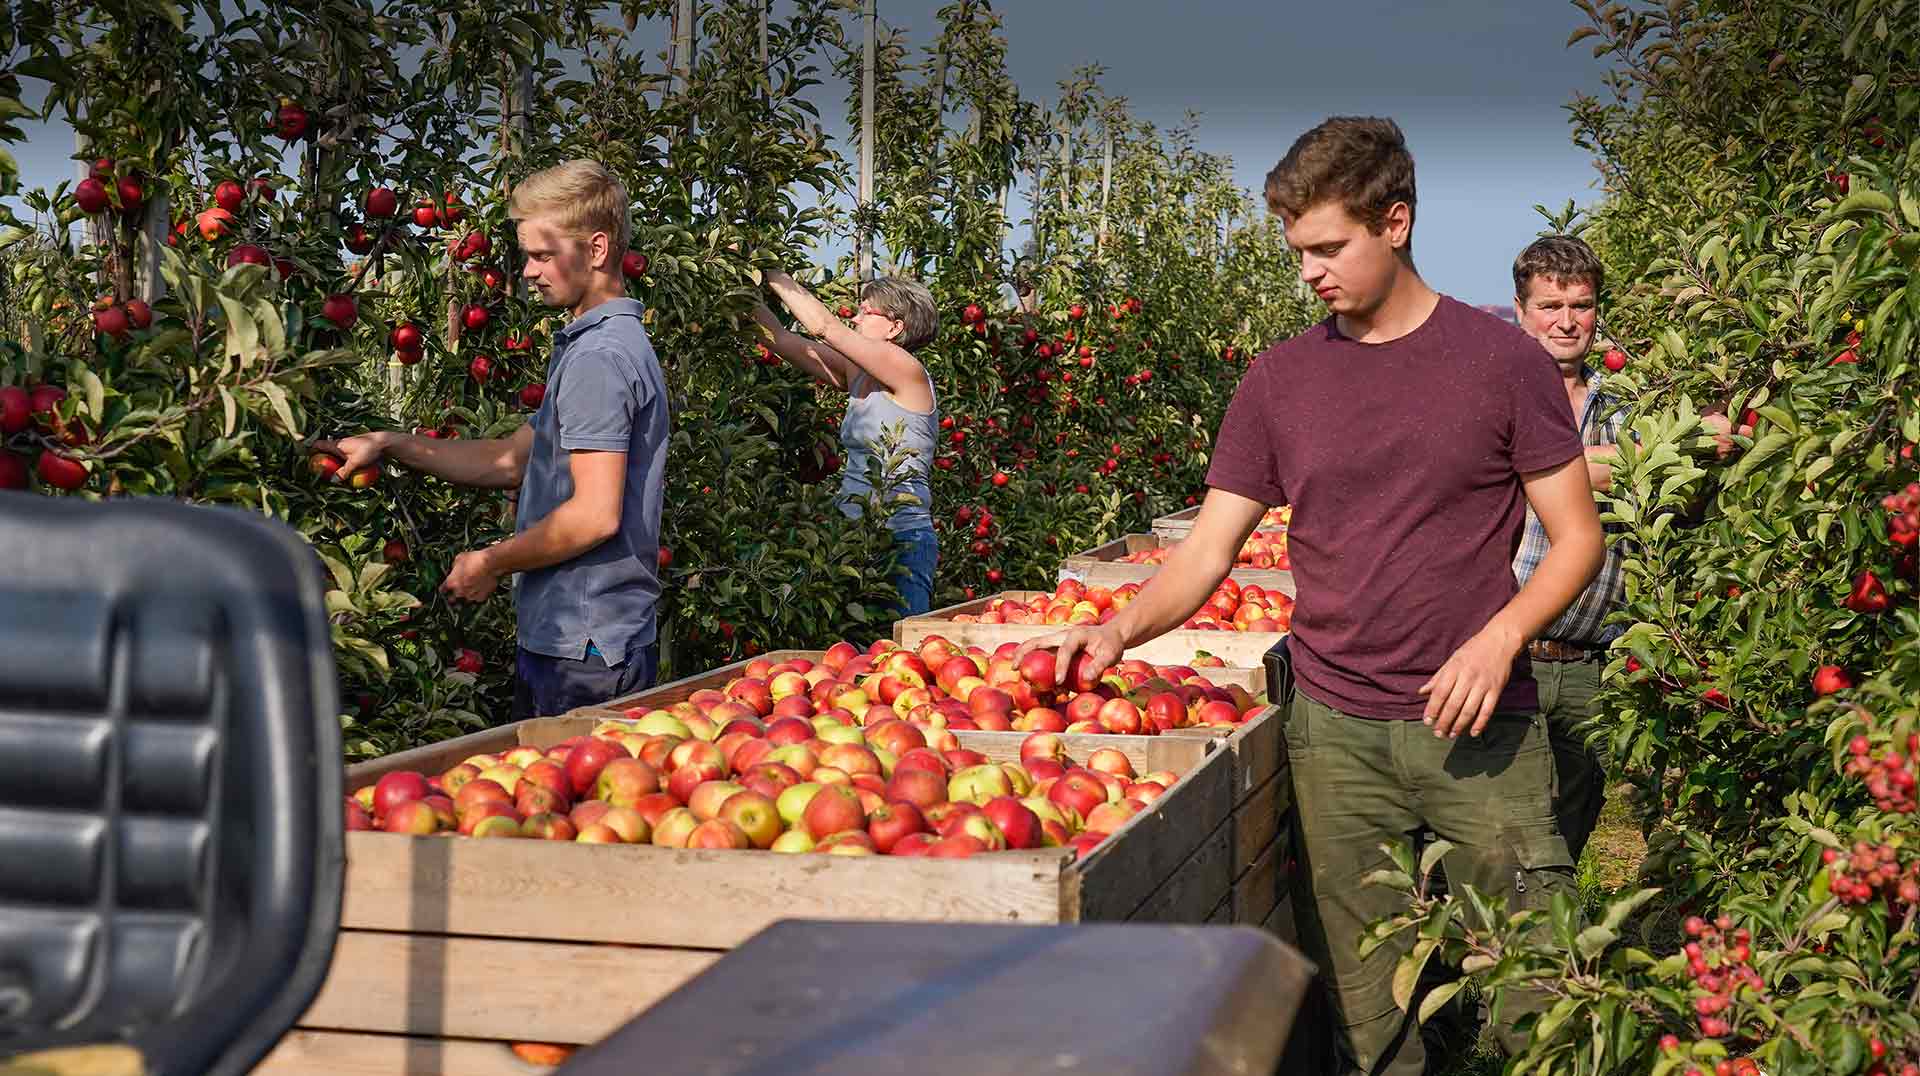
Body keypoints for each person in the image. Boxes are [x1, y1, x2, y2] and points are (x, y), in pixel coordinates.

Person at [1020, 117, 1606, 1076]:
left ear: (1397, 221)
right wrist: (1117, 629)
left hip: (1480, 726)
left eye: (1330, 247)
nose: (1312, 273)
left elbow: (1575, 539)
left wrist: (1499, 640)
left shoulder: (1504, 366)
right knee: (1369, 1015)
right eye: (1299, 252)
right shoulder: (1279, 381)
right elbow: (1209, 550)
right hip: (1332, 733)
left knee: (1538, 989)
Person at [316, 159, 669, 719]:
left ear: (597, 250)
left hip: (585, 652)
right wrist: (392, 443)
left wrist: (491, 562)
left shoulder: (599, 359)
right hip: (581, 639)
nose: (527, 271)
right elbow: (512, 459)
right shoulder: (599, 345)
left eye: (542, 255)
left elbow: (595, 515)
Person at [1510, 235, 1751, 862]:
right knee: (1498, 826)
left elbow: (1675, 502)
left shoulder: (1631, 402)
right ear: (1520, 310)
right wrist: (1666, 450)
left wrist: (1708, 452)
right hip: (1507, 655)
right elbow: (1527, 467)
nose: (1566, 321)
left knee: (1570, 827)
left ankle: (1548, 952)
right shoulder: (1493, 396)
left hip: (1596, 660)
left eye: (1581, 306)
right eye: (1550, 306)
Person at [752, 271, 941, 614]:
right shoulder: (858, 372)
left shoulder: (904, 367)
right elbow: (777, 337)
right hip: (853, 539)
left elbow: (824, 326)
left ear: (894, 327)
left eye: (866, 311)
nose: (855, 316)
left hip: (902, 542)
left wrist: (770, 271)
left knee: (903, 649)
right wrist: (738, 281)